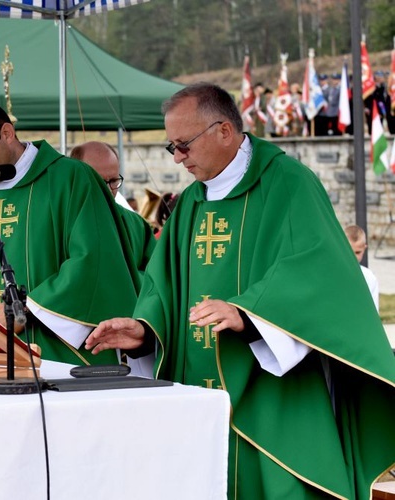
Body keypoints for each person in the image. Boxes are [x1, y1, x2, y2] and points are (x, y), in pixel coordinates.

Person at [85, 83, 395, 499]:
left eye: (183, 145)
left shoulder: (289, 183)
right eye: (170, 147)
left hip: (274, 394)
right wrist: (144, 330)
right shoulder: (191, 203)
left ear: (224, 131)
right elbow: (164, 284)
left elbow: (318, 271)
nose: (177, 157)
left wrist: (250, 314)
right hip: (196, 388)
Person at [0, 99, 139, 366]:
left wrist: (26, 308)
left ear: (6, 133)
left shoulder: (72, 178)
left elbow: (95, 261)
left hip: (62, 354)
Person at [69, 141, 155, 279]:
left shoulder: (137, 225)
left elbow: (156, 278)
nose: (108, 190)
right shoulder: (58, 223)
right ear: (75, 177)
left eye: (114, 181)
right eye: (99, 181)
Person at [345, 224, 379, 312]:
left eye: (357, 252)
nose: (354, 257)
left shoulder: (369, 277)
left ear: (364, 248)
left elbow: (374, 311)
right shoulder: (334, 273)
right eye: (349, 252)